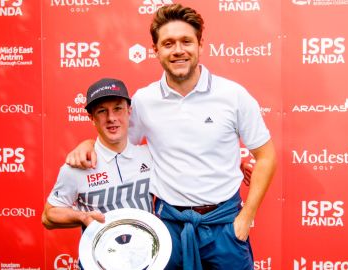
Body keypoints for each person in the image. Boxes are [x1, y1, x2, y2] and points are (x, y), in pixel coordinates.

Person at [66, 4, 277, 270]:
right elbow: (118, 145)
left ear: (200, 45)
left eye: (186, 41)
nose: (178, 50)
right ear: (156, 51)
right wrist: (88, 143)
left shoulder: (233, 96)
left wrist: (246, 218)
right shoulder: (144, 100)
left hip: (225, 225)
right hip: (167, 226)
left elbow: (266, 156)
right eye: (168, 43)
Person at [42, 78, 153, 231]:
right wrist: (82, 217)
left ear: (129, 111)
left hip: (145, 252)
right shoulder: (77, 165)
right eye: (102, 111)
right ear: (92, 118)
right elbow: (48, 216)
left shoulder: (150, 155)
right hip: (99, 253)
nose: (111, 118)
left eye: (118, 108)